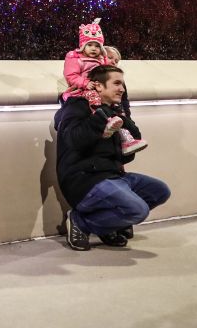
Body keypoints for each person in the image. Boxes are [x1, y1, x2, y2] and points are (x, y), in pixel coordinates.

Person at [55, 65, 171, 251]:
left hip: (112, 175)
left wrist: (123, 121)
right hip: (84, 179)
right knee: (138, 210)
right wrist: (101, 118)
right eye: (117, 83)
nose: (122, 89)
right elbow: (73, 140)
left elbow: (125, 155)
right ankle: (81, 222)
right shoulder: (77, 106)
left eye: (123, 84)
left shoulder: (115, 111)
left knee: (160, 191)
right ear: (98, 86)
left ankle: (108, 225)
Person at [61, 19, 146, 154]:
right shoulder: (77, 61)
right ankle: (107, 122)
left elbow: (126, 157)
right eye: (90, 45)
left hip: (112, 166)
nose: (94, 49)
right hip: (85, 92)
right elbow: (71, 75)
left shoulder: (104, 66)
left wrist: (124, 118)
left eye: (96, 46)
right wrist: (85, 83)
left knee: (118, 116)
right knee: (99, 104)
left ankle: (126, 139)